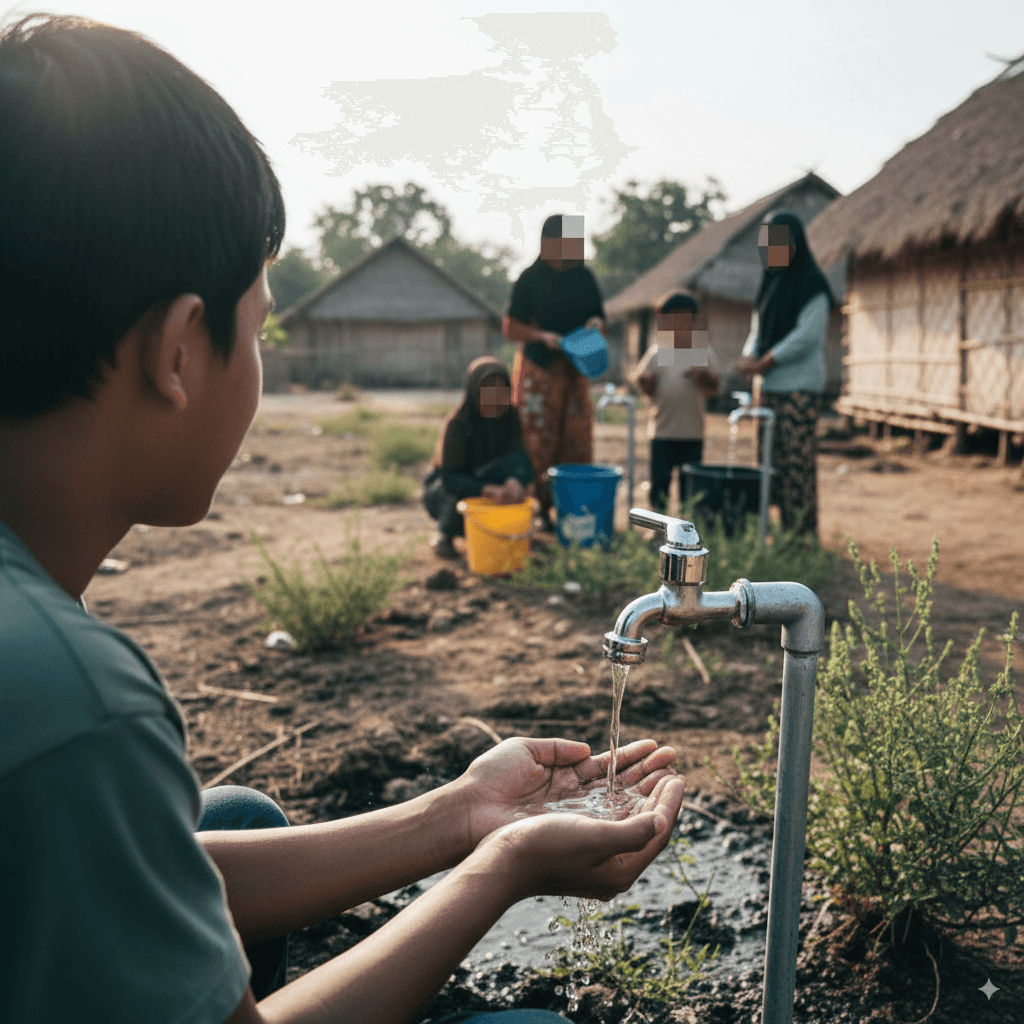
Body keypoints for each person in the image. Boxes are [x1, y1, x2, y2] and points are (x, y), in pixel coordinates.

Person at [0, 15, 686, 1024]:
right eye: (264, 324)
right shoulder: (75, 699)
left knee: (234, 820)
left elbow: (126, 871)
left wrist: (457, 812)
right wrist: (495, 869)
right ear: (179, 350)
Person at [503, 214, 606, 532]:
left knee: (576, 439)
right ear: (549, 244)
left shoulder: (584, 277)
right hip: (539, 369)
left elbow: (599, 316)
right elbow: (510, 327)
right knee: (537, 441)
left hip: (575, 367)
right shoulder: (529, 278)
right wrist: (541, 336)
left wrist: (595, 325)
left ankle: (573, 508)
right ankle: (539, 508)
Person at [735, 209, 834, 537]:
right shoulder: (769, 285)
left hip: (798, 392)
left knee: (796, 468)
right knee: (768, 465)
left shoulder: (812, 285)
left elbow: (807, 336)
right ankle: (776, 535)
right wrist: (750, 355)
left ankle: (802, 538)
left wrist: (765, 363)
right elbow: (757, 330)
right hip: (769, 391)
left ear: (796, 245)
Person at [423, 356, 535, 559]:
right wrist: (486, 489)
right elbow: (450, 477)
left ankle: (505, 534)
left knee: (517, 469)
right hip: (452, 487)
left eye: (500, 390)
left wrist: (515, 480)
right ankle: (445, 535)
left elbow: (520, 457)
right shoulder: (458, 424)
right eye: (488, 390)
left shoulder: (511, 417)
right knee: (454, 491)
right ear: (474, 392)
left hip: (492, 477)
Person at [629, 292, 720, 514]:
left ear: (695, 321)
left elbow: (713, 389)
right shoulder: (659, 352)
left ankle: (687, 529)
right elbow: (647, 390)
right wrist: (646, 382)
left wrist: (702, 376)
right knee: (660, 484)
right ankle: (658, 526)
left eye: (684, 319)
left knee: (691, 486)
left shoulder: (701, 351)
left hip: (692, 433)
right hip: (662, 432)